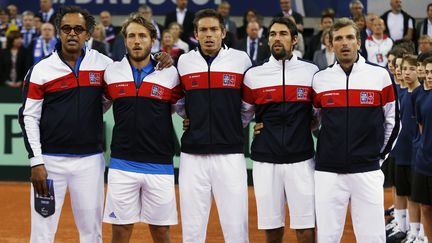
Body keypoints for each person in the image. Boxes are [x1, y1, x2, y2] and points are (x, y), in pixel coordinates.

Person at [19, 6, 113, 243]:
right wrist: (36, 161)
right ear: (59, 33)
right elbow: (29, 117)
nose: (72, 33)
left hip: (90, 162)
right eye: (66, 29)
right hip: (50, 164)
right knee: (42, 233)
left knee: (92, 233)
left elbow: (130, 76)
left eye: (78, 29)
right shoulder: (41, 70)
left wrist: (158, 58)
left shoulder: (104, 64)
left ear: (88, 34)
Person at [312, 18, 399, 243]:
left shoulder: (379, 76)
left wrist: (378, 157)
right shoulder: (320, 80)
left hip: (367, 170)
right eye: (338, 38)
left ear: (358, 42)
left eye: (349, 37)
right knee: (328, 237)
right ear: (331, 44)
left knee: (372, 238)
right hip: (328, 172)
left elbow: (393, 121)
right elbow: (313, 121)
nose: (344, 43)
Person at [102, 14, 181, 243]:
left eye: (142, 36)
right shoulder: (112, 72)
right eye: (132, 36)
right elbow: (98, 107)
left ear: (153, 40)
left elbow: (185, 109)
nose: (137, 41)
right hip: (122, 163)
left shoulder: (171, 74)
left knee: (161, 232)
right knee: (121, 230)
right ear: (125, 40)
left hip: (159, 164)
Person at [176, 8, 252, 243]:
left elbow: (247, 106)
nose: (209, 34)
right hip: (192, 157)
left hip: (229, 155)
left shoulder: (241, 60)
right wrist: (192, 118)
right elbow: (179, 101)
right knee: (192, 228)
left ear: (223, 32)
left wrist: (229, 125)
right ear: (195, 34)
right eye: (203, 30)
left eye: (213, 29)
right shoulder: (184, 61)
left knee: (236, 227)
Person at [242, 16, 318, 243]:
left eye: (283, 34)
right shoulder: (254, 76)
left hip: (302, 159)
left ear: (294, 40)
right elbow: (243, 116)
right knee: (272, 229)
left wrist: (301, 128)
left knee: (305, 228)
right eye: (273, 34)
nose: (277, 38)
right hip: (266, 161)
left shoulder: (311, 71)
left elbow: (318, 115)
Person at [413, 56, 432, 242]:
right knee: (425, 207)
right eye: (427, 72)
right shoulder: (420, 96)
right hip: (424, 160)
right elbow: (421, 127)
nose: (429, 76)